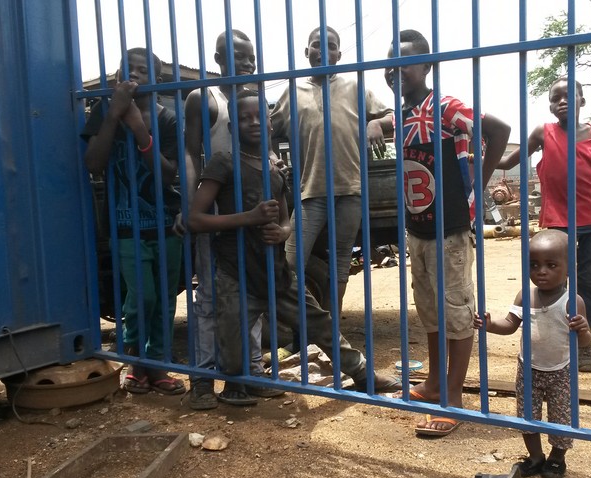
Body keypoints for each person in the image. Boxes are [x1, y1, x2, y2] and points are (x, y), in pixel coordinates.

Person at [188, 90, 402, 404]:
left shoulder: (275, 171)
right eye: (244, 118)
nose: (253, 123)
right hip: (237, 275)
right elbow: (195, 218)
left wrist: (281, 232)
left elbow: (287, 218)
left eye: (260, 117)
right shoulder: (224, 163)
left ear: (271, 126)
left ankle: (362, 373)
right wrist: (249, 218)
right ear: (232, 128)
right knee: (233, 358)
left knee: (319, 322)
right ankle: (238, 382)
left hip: (276, 272)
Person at [384, 29, 511, 437]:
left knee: (456, 315)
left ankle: (453, 400)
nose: (396, 71)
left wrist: (480, 180)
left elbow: (499, 130)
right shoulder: (402, 114)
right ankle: (436, 383)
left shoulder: (444, 107)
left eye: (406, 63)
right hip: (418, 230)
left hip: (450, 230)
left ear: (427, 66)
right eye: (391, 65)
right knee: (432, 312)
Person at [183, 30, 282, 410]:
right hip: (219, 212)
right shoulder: (203, 99)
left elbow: (266, 151)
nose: (245, 64)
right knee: (209, 298)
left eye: (250, 58)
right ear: (219, 58)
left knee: (252, 293)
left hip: (254, 216)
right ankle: (204, 380)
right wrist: (191, 204)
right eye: (237, 57)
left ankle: (250, 374)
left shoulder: (254, 102)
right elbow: (191, 154)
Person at [270, 26, 393, 320]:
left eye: (331, 46)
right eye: (316, 45)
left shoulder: (355, 88)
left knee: (340, 265)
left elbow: (392, 116)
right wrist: (272, 155)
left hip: (350, 190)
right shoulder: (292, 92)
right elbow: (267, 128)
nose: (323, 50)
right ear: (306, 52)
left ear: (339, 54)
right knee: (289, 263)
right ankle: (299, 324)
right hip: (310, 192)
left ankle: (331, 329)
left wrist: (376, 124)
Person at [82, 47, 185, 395]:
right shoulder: (102, 112)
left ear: (157, 81)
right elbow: (93, 163)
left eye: (145, 70)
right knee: (142, 298)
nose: (137, 75)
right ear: (118, 77)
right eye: (131, 69)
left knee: (166, 300)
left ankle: (157, 367)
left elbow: (169, 175)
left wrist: (141, 129)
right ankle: (137, 363)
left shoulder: (167, 118)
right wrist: (113, 114)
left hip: (166, 223)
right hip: (126, 227)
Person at [498, 76, 591, 373]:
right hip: (557, 222)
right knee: (555, 280)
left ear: (582, 101)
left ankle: (585, 344)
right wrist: (485, 161)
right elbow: (512, 160)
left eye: (569, 96)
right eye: (555, 98)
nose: (562, 101)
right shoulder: (543, 132)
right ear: (551, 106)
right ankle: (554, 342)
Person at [474, 229, 591, 478]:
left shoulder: (573, 301)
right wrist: (489, 324)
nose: (542, 271)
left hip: (561, 369)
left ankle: (557, 458)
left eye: (551, 265)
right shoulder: (524, 296)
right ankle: (536, 457)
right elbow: (509, 324)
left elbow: (584, 342)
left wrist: (584, 330)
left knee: (561, 416)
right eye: (535, 265)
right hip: (528, 367)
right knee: (527, 415)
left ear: (569, 268)